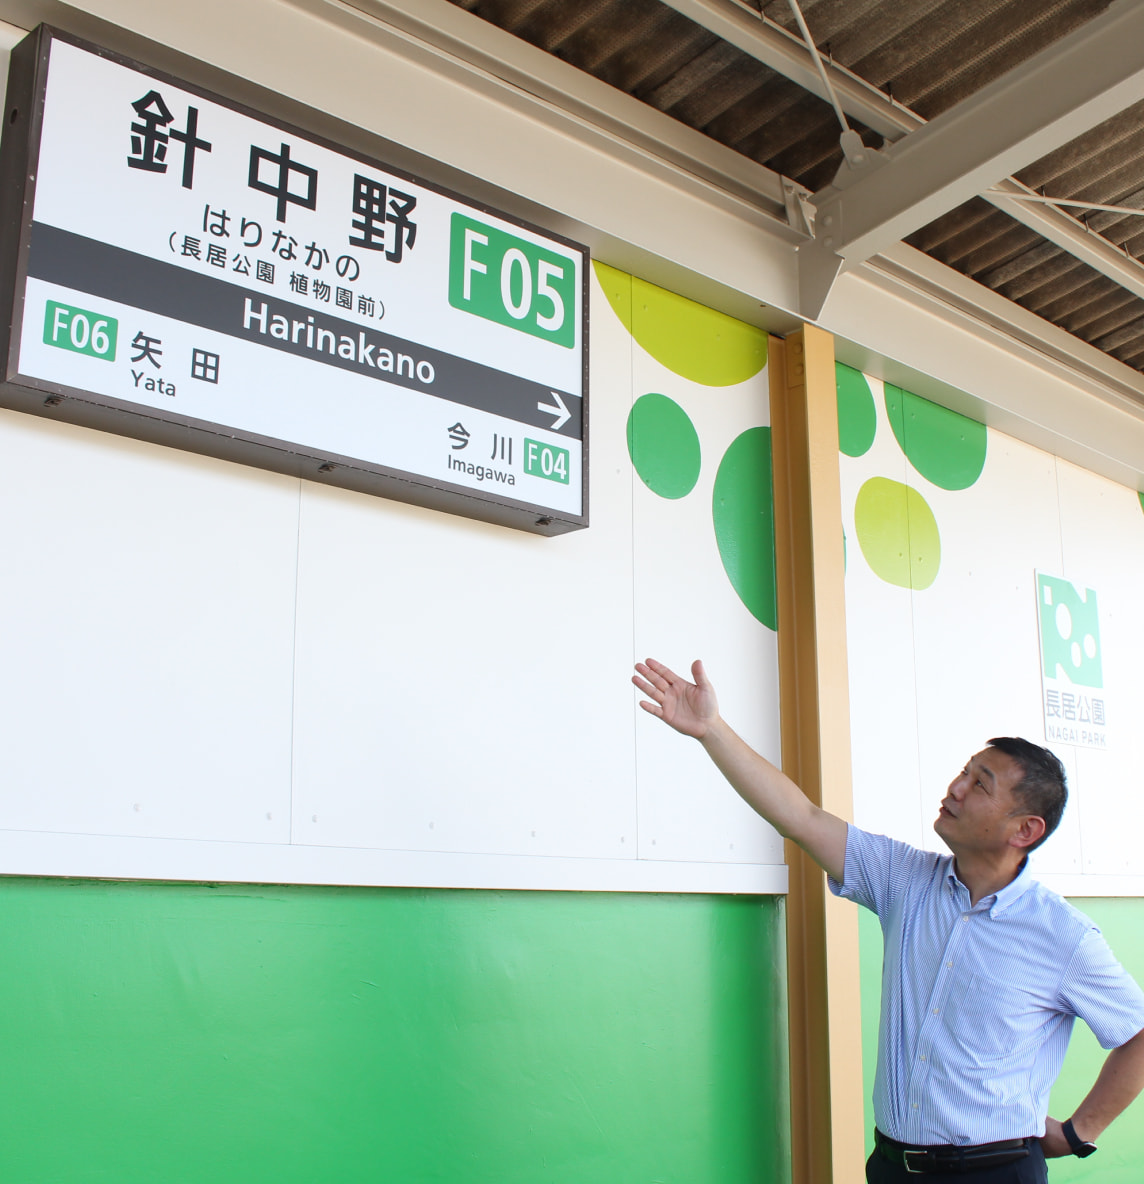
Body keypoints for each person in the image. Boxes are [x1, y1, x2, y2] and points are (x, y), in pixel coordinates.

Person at [632, 656, 1144, 1182]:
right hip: (892, 1166)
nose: (957, 788)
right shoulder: (905, 879)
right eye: (964, 772)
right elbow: (803, 817)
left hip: (994, 1170)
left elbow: (1138, 1033)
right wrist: (711, 729)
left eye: (981, 785)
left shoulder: (1063, 937)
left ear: (1024, 830)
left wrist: (1082, 1132)